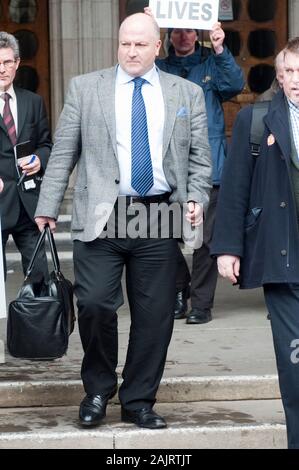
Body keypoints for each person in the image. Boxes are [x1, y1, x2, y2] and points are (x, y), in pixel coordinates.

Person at [35, 13, 211, 429]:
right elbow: (63, 152)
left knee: (155, 314)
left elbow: (200, 158)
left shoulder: (185, 94)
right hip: (103, 211)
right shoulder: (86, 88)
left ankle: (138, 399)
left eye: (139, 44)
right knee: (94, 303)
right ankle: (97, 389)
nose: (130, 51)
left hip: (159, 211)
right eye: (124, 43)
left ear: (156, 47)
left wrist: (197, 197)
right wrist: (46, 206)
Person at [210, 37, 299, 449]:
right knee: (295, 364)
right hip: (284, 260)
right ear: (279, 78)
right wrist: (228, 248)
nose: (295, 80)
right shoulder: (256, 120)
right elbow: (234, 190)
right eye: (289, 72)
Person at [154, 21, 244, 323]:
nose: (183, 36)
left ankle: (201, 305)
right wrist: (148, 31)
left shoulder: (210, 64)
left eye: (190, 30)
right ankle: (180, 289)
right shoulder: (158, 67)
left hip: (210, 165)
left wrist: (219, 47)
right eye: (177, 31)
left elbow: (234, 85)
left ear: (198, 34)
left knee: (206, 240)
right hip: (165, 166)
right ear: (167, 36)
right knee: (163, 234)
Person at [0, 32, 51, 279]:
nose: (2, 69)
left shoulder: (33, 102)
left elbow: (46, 144)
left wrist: (39, 159)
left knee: (40, 275)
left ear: (17, 63)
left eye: (7, 62)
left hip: (28, 203)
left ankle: (37, 319)